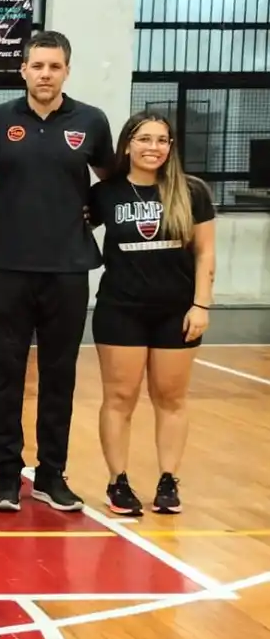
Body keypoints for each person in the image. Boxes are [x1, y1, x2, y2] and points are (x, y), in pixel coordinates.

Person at [0, 30, 113, 512]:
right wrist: (12, 196)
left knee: (60, 373)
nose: (46, 74)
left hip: (68, 268)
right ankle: (7, 475)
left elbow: (109, 179)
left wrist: (89, 210)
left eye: (55, 67)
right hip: (9, 264)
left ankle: (52, 474)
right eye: (38, 66)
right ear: (24, 70)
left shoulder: (91, 121)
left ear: (67, 71)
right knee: (4, 372)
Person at [88, 112, 216, 516]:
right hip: (120, 309)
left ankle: (168, 480)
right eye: (145, 139)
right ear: (127, 144)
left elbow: (205, 253)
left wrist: (201, 305)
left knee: (171, 398)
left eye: (162, 141)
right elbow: (69, 232)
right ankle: (118, 481)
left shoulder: (192, 192)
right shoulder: (105, 192)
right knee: (120, 397)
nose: (153, 148)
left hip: (176, 312)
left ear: (170, 148)